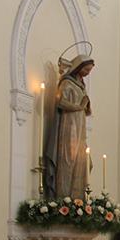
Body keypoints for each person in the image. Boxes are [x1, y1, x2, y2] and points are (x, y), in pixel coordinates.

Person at [52, 54, 94, 199]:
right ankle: (64, 196)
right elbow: (60, 102)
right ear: (79, 67)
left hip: (80, 125)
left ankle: (77, 197)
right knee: (68, 157)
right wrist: (78, 106)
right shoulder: (67, 83)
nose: (87, 73)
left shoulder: (82, 86)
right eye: (86, 70)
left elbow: (86, 109)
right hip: (69, 124)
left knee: (84, 161)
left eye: (89, 71)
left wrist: (86, 106)